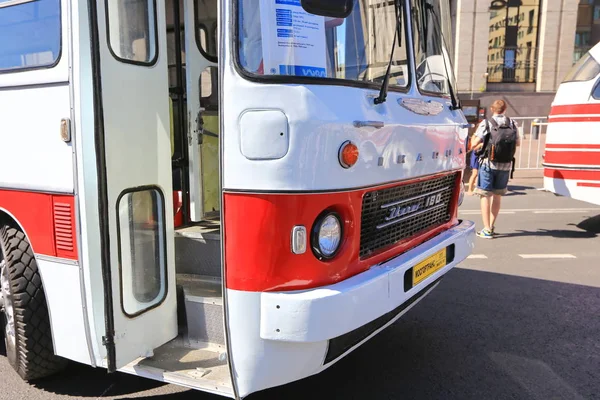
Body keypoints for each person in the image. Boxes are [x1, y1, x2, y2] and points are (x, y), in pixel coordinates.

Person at [470, 100, 520, 239]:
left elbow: (474, 144)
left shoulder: (486, 123)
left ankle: (486, 229)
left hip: (488, 164)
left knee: (485, 195)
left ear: (492, 109)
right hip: (505, 165)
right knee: (497, 196)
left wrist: (476, 139)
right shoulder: (513, 123)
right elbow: (518, 143)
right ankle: (491, 226)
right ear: (505, 109)